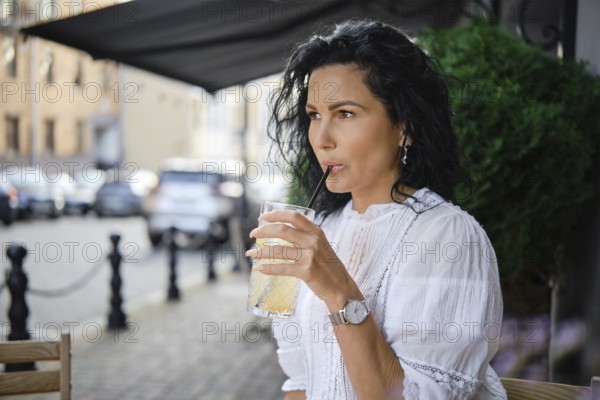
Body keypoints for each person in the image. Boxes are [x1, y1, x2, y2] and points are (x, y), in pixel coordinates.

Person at [245, 19, 506, 400]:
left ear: (404, 126)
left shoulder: (448, 238)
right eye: (315, 114)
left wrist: (339, 292)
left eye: (345, 113)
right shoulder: (323, 228)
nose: (321, 138)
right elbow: (300, 381)